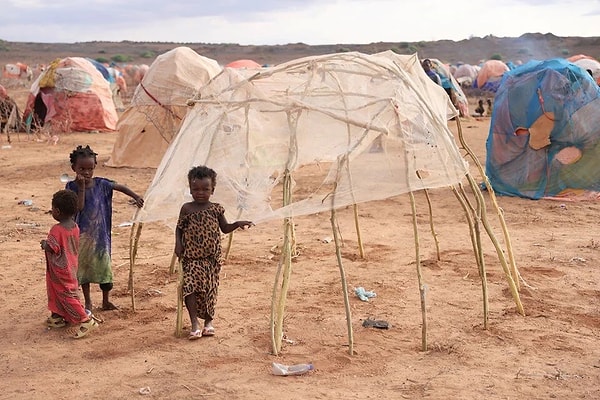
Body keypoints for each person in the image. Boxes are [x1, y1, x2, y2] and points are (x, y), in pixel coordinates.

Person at [175, 166, 253, 340]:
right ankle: (194, 323)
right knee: (190, 288)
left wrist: (237, 223)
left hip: (211, 259)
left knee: (210, 290)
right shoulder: (186, 209)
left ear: (213, 190)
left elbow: (224, 228)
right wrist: (178, 244)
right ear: (190, 189)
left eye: (205, 189)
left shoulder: (216, 209)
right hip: (192, 258)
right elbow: (179, 229)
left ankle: (208, 322)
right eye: (196, 189)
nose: (200, 193)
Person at [66, 145, 144, 311]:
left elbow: (120, 187)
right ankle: (88, 301)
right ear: (74, 168)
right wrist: (81, 188)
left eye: (89, 169)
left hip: (101, 237)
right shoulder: (71, 188)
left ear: (95, 166)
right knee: (84, 269)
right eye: (82, 169)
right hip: (82, 237)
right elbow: (79, 207)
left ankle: (105, 300)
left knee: (104, 270)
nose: (86, 173)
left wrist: (136, 196)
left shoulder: (101, 184)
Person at [41, 190, 99, 339]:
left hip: (60, 270)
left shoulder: (56, 229)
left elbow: (53, 247)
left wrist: (44, 244)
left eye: (53, 208)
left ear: (58, 211)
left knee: (66, 295)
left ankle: (86, 320)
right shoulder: (74, 226)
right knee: (60, 292)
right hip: (71, 266)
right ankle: (58, 316)